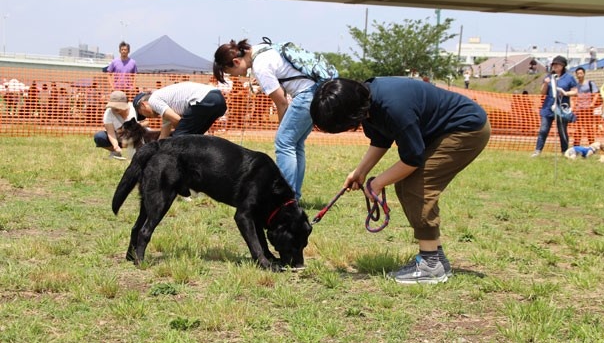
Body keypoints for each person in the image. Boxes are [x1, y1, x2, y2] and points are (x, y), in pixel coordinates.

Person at [310, 77, 491, 284]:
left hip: (467, 129)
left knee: (415, 186)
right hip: (446, 130)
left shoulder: (393, 107)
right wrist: (360, 172)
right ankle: (435, 258)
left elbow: (412, 157)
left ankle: (431, 265)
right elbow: (381, 139)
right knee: (407, 184)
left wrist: (377, 183)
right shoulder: (367, 102)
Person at [213, 38, 322, 201]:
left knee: (284, 143)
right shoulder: (262, 49)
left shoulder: (260, 66)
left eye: (230, 73)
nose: (235, 76)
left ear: (236, 61)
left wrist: (281, 127)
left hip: (305, 95)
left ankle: (284, 199)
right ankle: (293, 197)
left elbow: (281, 101)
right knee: (295, 145)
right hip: (317, 91)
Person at [132, 81, 226, 139]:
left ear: (143, 105)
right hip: (218, 98)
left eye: (143, 114)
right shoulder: (166, 106)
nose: (148, 118)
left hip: (204, 99)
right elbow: (163, 136)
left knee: (178, 140)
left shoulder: (153, 100)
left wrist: (181, 133)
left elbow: (177, 120)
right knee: (197, 138)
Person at [531, 56, 578, 157]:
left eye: (557, 64)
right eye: (553, 64)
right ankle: (537, 151)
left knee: (562, 131)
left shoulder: (569, 78)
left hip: (561, 108)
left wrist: (565, 93)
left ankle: (564, 151)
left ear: (563, 66)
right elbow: (542, 93)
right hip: (548, 107)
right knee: (543, 130)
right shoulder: (549, 77)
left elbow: (575, 92)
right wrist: (545, 83)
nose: (555, 66)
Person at [93, 90, 138, 160]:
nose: (115, 108)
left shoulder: (134, 108)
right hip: (118, 136)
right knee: (99, 137)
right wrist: (116, 146)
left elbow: (146, 122)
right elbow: (110, 133)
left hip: (134, 135)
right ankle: (115, 152)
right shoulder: (108, 113)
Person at [572, 67, 598, 146]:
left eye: (581, 73)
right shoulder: (575, 85)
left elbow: (596, 94)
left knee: (589, 128)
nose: (579, 75)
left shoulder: (590, 83)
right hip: (579, 109)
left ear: (584, 74)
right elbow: (573, 96)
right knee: (578, 129)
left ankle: (592, 145)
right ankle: (576, 146)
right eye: (578, 74)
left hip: (588, 109)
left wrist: (592, 104)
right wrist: (573, 106)